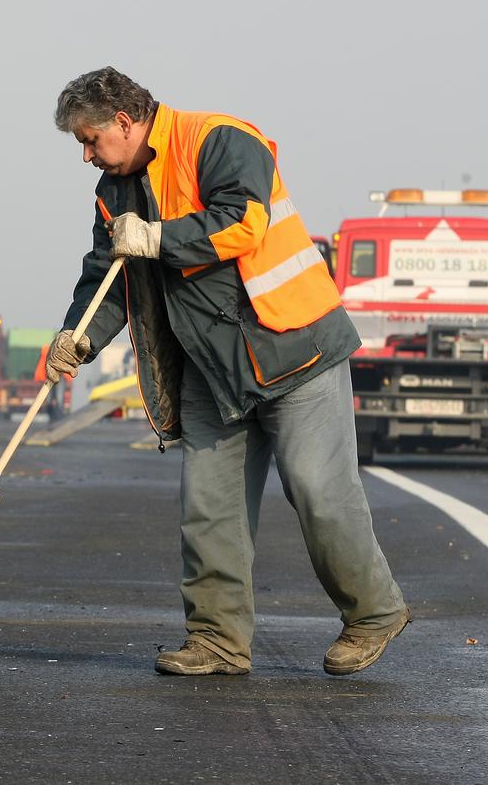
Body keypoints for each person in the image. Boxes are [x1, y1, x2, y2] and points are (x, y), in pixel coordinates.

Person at [47, 67, 408, 677]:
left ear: (125, 123)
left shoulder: (220, 140)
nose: (86, 156)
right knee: (209, 508)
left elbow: (244, 222)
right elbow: (109, 276)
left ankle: (373, 613)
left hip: (295, 351)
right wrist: (76, 337)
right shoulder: (115, 190)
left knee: (317, 491)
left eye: (90, 140)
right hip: (211, 367)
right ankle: (216, 642)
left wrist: (157, 237)